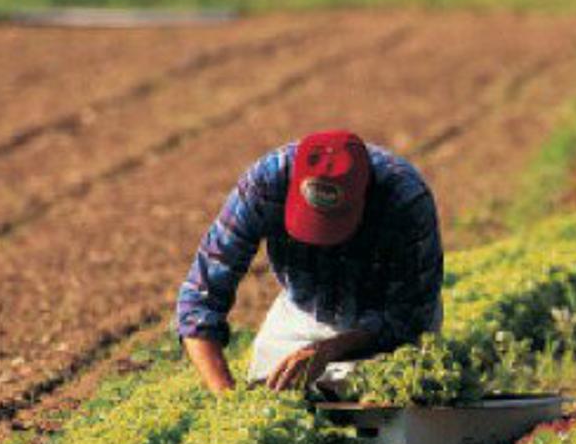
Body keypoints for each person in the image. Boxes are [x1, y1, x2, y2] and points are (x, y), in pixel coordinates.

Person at [176, 130, 443, 393]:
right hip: (302, 315)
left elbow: (408, 317)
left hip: (384, 328)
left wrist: (331, 349)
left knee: (388, 411)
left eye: (334, 228)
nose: (323, 243)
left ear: (364, 196)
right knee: (271, 394)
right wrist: (225, 397)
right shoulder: (266, 184)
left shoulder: (406, 201)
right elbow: (201, 296)